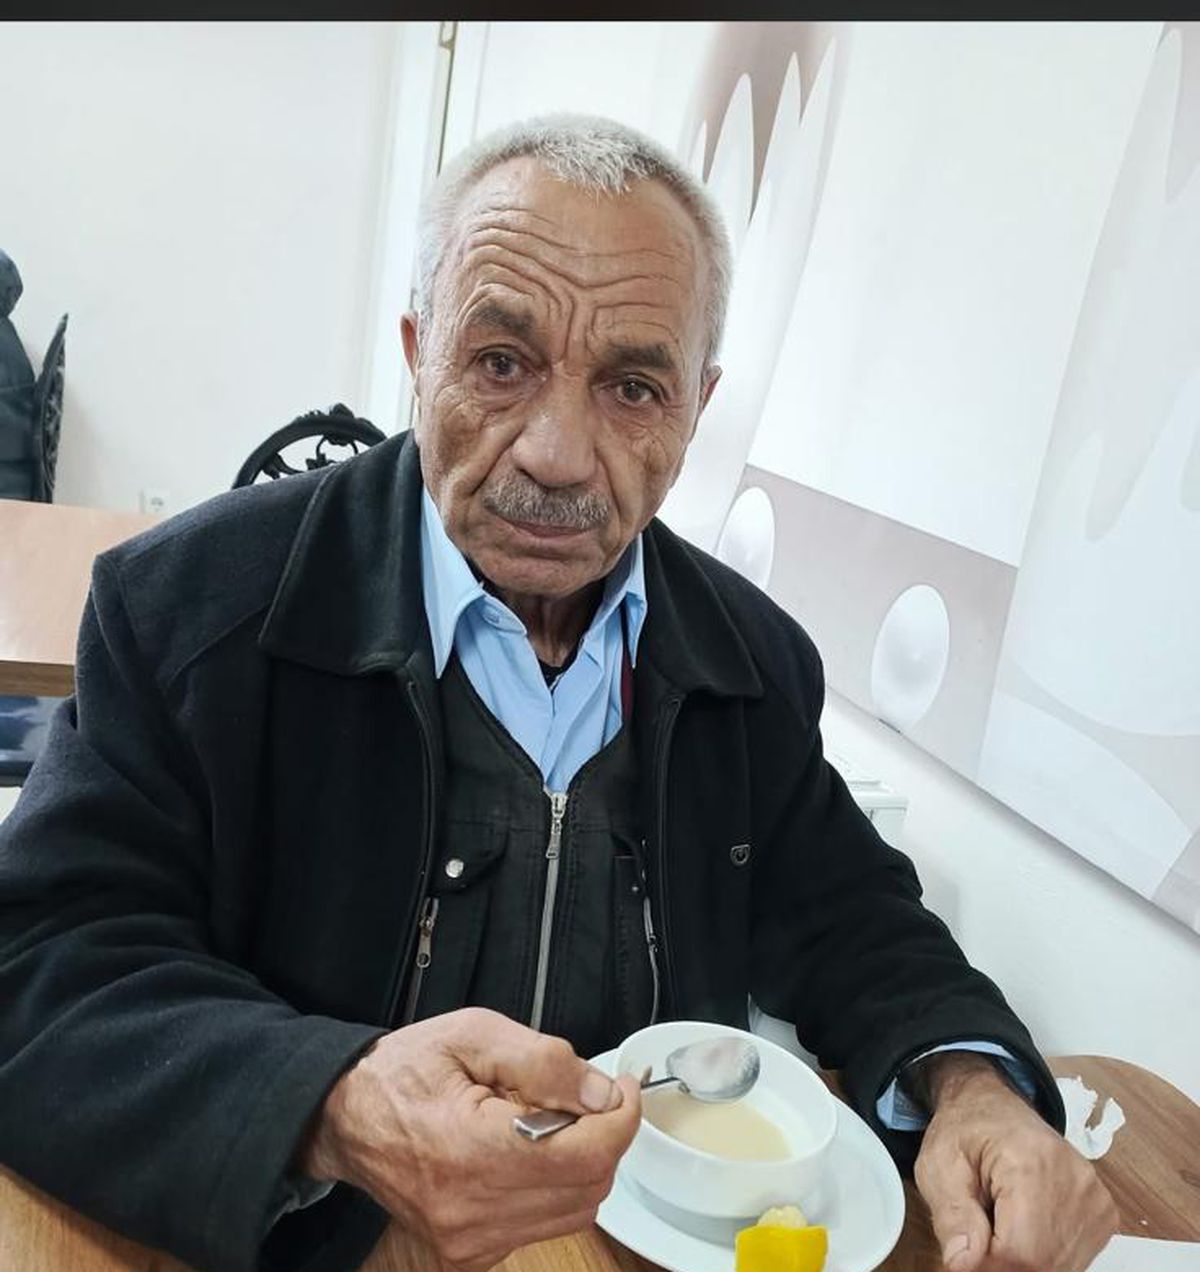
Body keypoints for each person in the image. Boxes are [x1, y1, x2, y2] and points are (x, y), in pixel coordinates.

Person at [0, 115, 1116, 1272]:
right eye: (501, 363)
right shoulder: (185, 614)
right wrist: (333, 1104)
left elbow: (851, 915)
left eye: (633, 387)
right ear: (417, 350)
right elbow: (39, 965)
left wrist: (971, 1083)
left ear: (697, 406)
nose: (558, 453)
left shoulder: (752, 662)